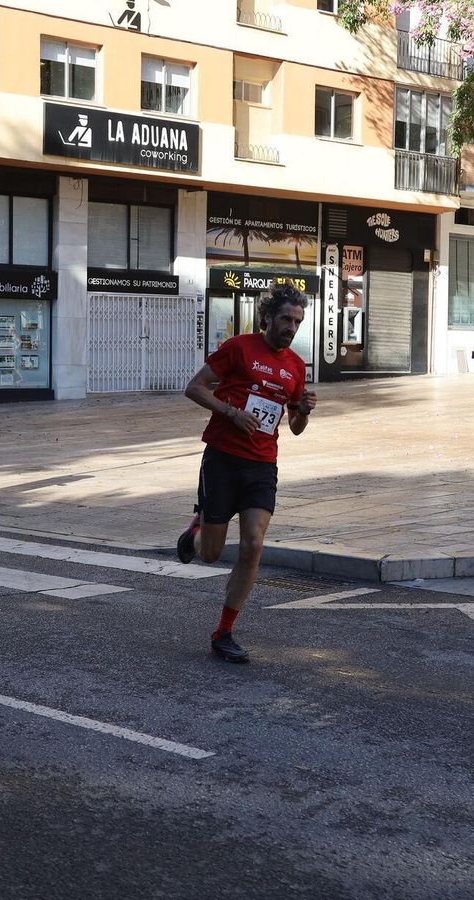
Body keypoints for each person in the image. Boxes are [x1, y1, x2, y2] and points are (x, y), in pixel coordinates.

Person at [175, 284, 316, 664]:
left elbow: (295, 426)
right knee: (210, 554)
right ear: (267, 317)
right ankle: (198, 527)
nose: (291, 327)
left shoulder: (296, 366)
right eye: (286, 319)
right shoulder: (239, 348)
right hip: (222, 458)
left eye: (298, 321)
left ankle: (224, 632)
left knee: (253, 545)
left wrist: (303, 410)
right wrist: (231, 413)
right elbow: (194, 388)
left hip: (262, 464)